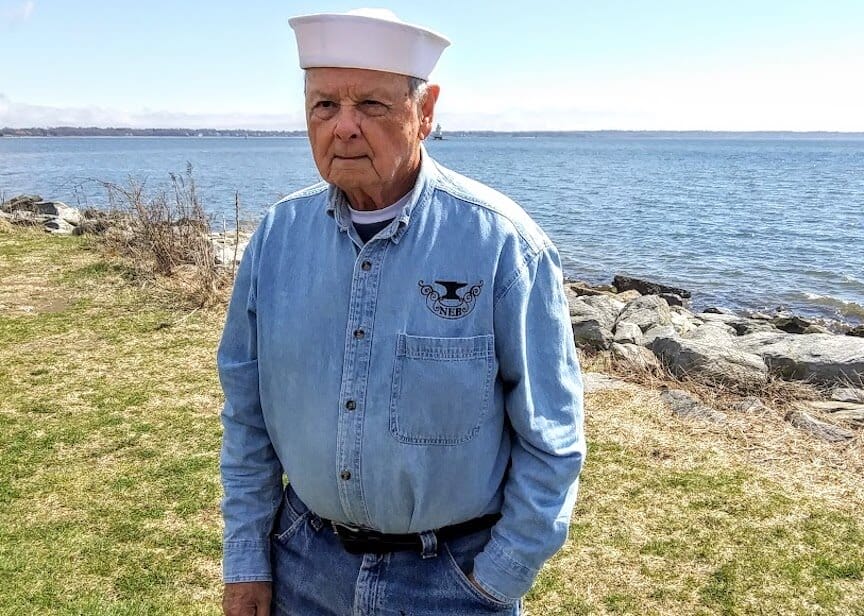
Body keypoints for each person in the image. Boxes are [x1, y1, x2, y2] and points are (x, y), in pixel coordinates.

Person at [218, 8, 586, 616]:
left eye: (371, 104)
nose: (344, 128)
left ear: (426, 111)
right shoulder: (277, 240)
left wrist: (499, 576)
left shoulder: (501, 245)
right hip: (302, 570)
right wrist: (248, 559)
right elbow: (246, 416)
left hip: (452, 581)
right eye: (324, 106)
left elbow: (553, 435)